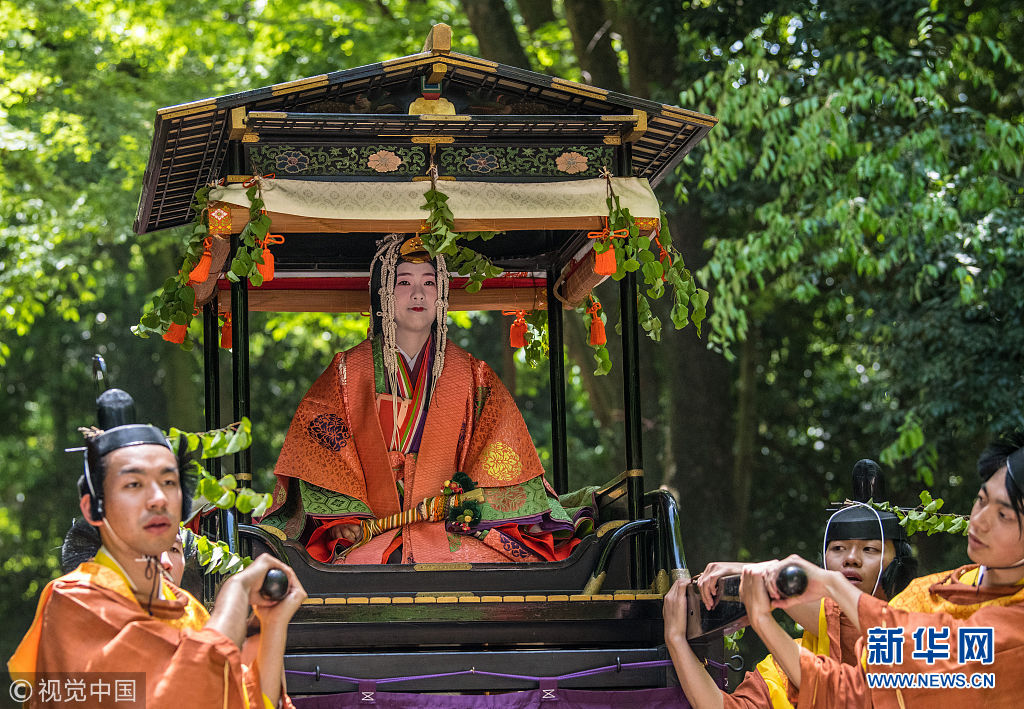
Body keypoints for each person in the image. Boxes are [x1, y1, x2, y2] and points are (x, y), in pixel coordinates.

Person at [261, 234, 595, 564]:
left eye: (430, 283)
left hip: (450, 527)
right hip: (371, 529)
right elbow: (320, 449)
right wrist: (342, 520)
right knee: (342, 568)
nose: (418, 293)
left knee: (500, 567)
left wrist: (471, 502)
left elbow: (501, 454)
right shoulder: (347, 371)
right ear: (384, 294)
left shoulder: (472, 374)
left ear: (442, 295)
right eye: (404, 282)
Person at [8, 389, 306, 708]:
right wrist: (236, 590)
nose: (159, 499)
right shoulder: (73, 600)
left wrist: (271, 624)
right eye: (133, 484)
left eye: (168, 482)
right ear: (93, 508)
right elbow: (180, 692)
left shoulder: (187, 609)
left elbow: (241, 699)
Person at [742, 435, 1024, 708]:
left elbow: (911, 645)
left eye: (1004, 515)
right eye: (981, 500)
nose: (980, 520)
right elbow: (855, 693)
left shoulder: (1013, 626)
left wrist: (832, 586)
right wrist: (762, 620)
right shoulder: (928, 591)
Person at [664, 503, 917, 709]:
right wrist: (675, 639)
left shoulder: (917, 632)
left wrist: (758, 573)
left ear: (898, 570)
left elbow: (852, 625)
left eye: (870, 549)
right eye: (838, 548)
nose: (851, 558)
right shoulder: (785, 661)